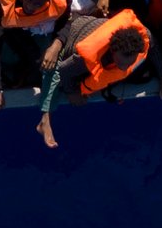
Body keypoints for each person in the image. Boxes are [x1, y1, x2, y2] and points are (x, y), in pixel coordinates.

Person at [35, 10, 149, 150]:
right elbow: (63, 70)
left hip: (93, 28)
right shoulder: (84, 59)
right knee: (52, 72)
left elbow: (153, 47)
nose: (124, 68)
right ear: (113, 51)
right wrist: (72, 91)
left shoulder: (141, 43)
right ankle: (45, 120)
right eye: (120, 62)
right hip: (73, 38)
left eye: (129, 63)